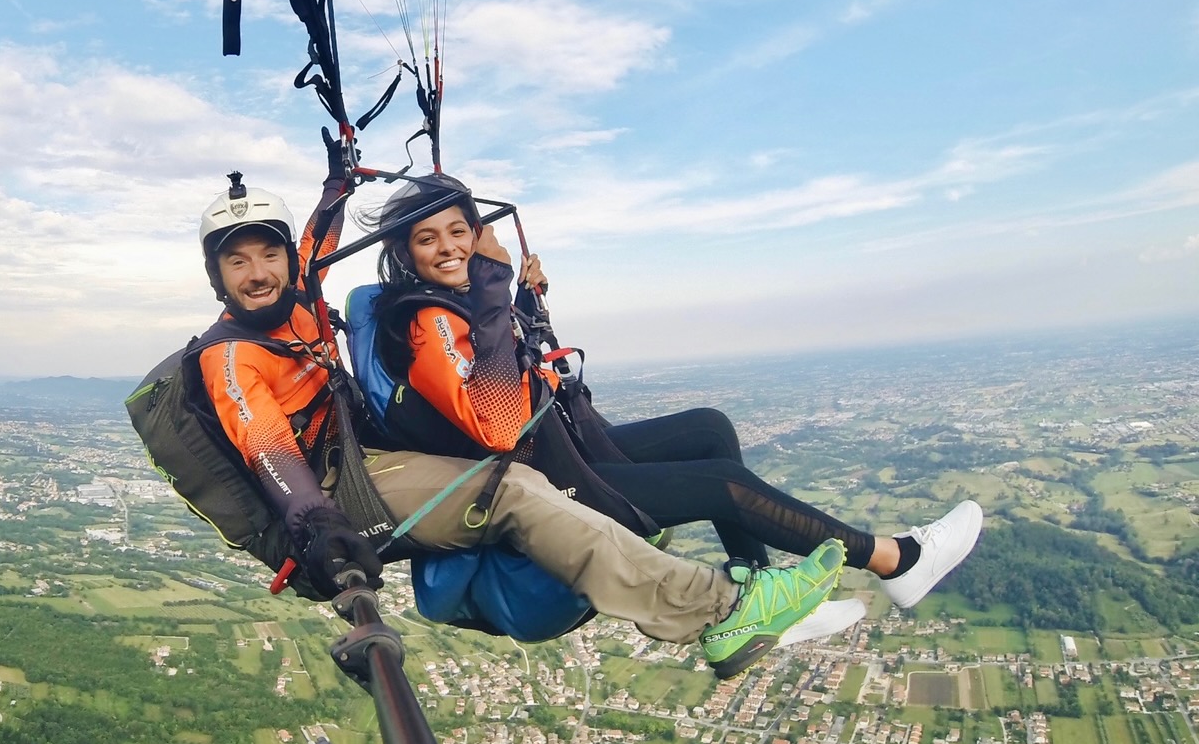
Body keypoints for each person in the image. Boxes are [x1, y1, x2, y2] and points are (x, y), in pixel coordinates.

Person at [181, 151, 865, 679]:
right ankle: (721, 610)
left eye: (266, 253)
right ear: (218, 279)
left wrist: (338, 187)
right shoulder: (232, 359)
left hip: (374, 457)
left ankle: (751, 589)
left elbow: (308, 245)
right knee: (510, 488)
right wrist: (321, 528)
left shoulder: (292, 295)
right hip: (339, 492)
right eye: (236, 262)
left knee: (545, 468)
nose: (258, 271)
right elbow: (270, 451)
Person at [360, 173, 983, 611]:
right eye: (427, 238)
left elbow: (509, 362)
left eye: (458, 232)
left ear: (475, 232)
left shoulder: (464, 305)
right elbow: (494, 424)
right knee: (719, 483)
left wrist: (522, 300)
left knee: (709, 426)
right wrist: (495, 282)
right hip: (550, 486)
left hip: (569, 450)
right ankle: (896, 561)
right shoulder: (426, 321)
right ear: (404, 253)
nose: (448, 248)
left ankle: (760, 592)